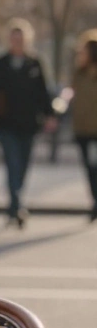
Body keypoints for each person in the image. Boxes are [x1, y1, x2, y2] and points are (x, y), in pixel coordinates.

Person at [0, 19, 57, 228]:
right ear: (9, 40)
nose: (17, 41)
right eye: (14, 37)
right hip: (6, 123)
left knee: (23, 166)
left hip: (29, 124)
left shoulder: (35, 63)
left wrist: (49, 115)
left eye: (21, 38)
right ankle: (16, 207)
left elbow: (43, 92)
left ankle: (14, 204)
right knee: (12, 164)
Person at [71, 30, 97, 223]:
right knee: (90, 169)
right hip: (83, 131)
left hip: (95, 132)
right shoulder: (78, 74)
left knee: (95, 168)